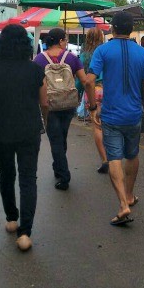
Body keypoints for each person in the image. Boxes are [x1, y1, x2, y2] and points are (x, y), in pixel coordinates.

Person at [0, 24, 48, 252]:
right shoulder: (35, 69)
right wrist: (42, 121)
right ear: (26, 45)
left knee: (6, 175)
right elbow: (44, 102)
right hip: (29, 130)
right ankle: (25, 233)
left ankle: (11, 218)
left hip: (1, 130)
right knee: (28, 179)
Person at [85, 11, 144, 226]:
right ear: (132, 30)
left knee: (114, 157)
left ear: (113, 28)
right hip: (134, 113)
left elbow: (89, 81)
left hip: (111, 113)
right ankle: (129, 195)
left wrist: (92, 107)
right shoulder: (143, 54)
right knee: (132, 154)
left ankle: (122, 204)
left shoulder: (102, 50)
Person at [33, 28, 87, 191]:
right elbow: (84, 80)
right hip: (68, 103)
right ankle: (59, 167)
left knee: (55, 139)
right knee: (61, 137)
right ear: (61, 41)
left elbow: (35, 84)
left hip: (49, 104)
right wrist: (90, 102)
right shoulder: (71, 58)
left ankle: (64, 176)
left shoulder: (39, 60)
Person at [79, 27, 108, 174]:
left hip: (92, 91)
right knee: (109, 125)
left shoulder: (84, 56)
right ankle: (113, 156)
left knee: (97, 127)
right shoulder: (106, 52)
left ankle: (104, 159)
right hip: (107, 90)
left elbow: (81, 80)